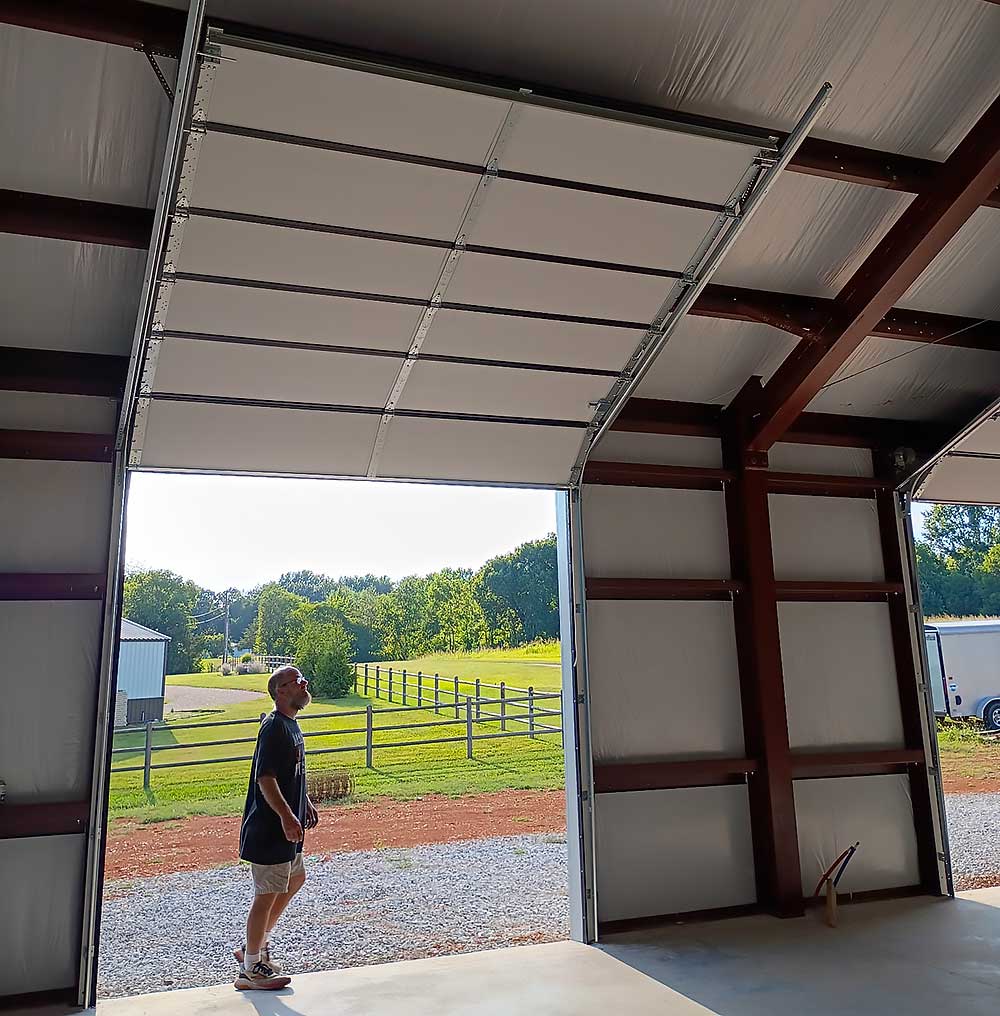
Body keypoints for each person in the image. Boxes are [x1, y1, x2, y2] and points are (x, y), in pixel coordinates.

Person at [233, 665, 319, 990]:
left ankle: (253, 947)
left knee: (295, 878)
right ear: (281, 691)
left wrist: (304, 801)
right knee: (266, 893)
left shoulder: (290, 726)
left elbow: (288, 773)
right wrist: (285, 815)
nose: (304, 683)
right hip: (270, 829)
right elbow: (265, 778)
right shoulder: (273, 727)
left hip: (287, 828)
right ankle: (251, 969)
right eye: (296, 681)